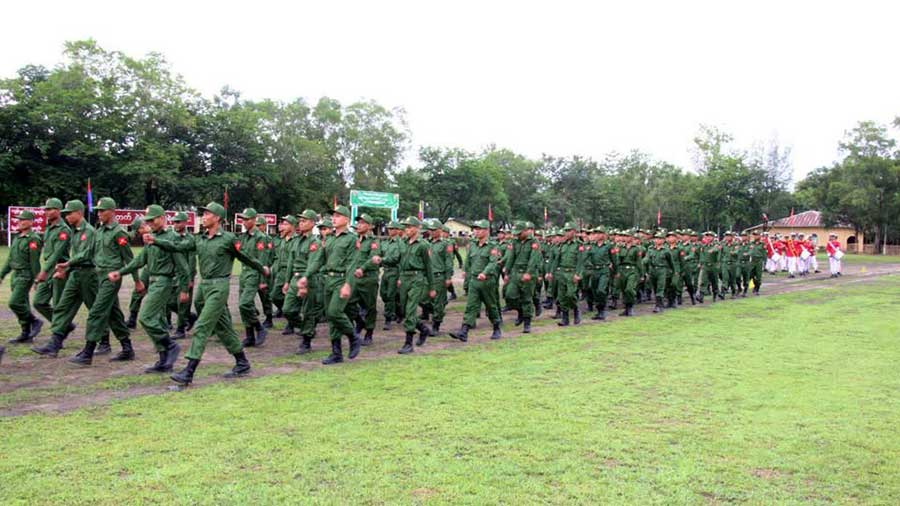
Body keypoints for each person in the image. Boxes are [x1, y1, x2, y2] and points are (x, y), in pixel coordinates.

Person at [164, 202, 270, 386]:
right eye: (203, 214)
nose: (203, 216)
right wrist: (155, 241)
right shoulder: (199, 238)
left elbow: (245, 256)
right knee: (223, 328)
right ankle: (242, 362)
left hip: (219, 287)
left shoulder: (228, 239)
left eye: (207, 214)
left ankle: (188, 371)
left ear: (217, 218)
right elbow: (177, 246)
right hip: (204, 287)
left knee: (202, 326)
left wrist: (262, 269)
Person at [109, 205, 188, 373]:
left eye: (153, 219)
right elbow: (140, 261)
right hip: (153, 283)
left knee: (145, 317)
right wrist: (120, 272)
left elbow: (183, 267)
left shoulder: (172, 238)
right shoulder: (151, 238)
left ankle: (170, 345)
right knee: (157, 320)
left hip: (164, 282)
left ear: (162, 218)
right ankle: (163, 360)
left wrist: (184, 290)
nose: (150, 223)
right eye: (148, 220)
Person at [67, 197, 137, 365]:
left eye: (102, 210)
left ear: (112, 212)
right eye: (97, 210)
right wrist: (68, 264)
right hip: (99, 276)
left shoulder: (118, 232)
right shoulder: (99, 232)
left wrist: (138, 281)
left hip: (111, 277)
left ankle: (88, 351)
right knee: (113, 313)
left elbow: (129, 258)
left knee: (97, 311)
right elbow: (87, 253)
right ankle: (127, 348)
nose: (99, 214)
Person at [32, 201, 99, 357]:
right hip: (74, 273)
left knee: (95, 309)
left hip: (88, 275)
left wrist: (66, 264)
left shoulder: (87, 231)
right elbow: (74, 255)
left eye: (70, 213)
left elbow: (85, 254)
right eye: (66, 213)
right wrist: (67, 267)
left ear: (79, 213)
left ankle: (106, 341)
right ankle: (54, 345)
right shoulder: (74, 230)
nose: (67, 216)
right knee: (62, 307)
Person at [450, 220, 502, 342]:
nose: (476, 231)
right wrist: (465, 270)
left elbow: (493, 262)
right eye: (475, 229)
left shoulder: (492, 246)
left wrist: (485, 273)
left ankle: (496, 327)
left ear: (486, 231)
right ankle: (464, 331)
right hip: (474, 280)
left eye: (479, 229)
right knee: (471, 305)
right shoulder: (473, 245)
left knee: (491, 305)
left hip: (487, 281)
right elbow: (468, 260)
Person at [282, 210, 324, 354]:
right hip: (295, 278)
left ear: (312, 223)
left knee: (308, 312)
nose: (301, 223)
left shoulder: (315, 243)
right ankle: (307, 329)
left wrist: (305, 279)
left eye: (304, 220)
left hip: (309, 279)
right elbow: (290, 262)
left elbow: (314, 263)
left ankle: (306, 341)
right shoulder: (296, 241)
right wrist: (287, 281)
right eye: (300, 221)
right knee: (287, 310)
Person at [395, 216, 436, 353]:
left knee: (411, 309)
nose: (407, 229)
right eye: (405, 227)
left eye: (410, 227)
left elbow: (429, 267)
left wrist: (431, 287)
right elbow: (401, 261)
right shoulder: (403, 243)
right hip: (405, 278)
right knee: (405, 311)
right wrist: (401, 276)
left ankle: (408, 343)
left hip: (417, 279)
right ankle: (423, 329)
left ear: (418, 228)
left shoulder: (423, 245)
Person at [1, 210, 43, 344]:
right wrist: (2, 274)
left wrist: (37, 279)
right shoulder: (17, 238)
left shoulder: (33, 239)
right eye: (18, 220)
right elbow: (10, 260)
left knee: (14, 302)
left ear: (30, 222)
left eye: (23, 220)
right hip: (15, 274)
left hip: (25, 275)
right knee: (23, 303)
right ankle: (26, 333)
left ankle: (35, 321)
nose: (20, 222)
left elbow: (34, 262)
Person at [31, 198, 70, 334]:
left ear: (58, 211)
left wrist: (43, 271)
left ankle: (57, 336)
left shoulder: (64, 229)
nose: (47, 212)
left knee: (59, 304)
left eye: (50, 209)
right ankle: (63, 325)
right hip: (48, 269)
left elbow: (56, 254)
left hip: (59, 269)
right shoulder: (48, 228)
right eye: (46, 209)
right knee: (38, 302)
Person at [235, 208, 270, 348]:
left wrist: (262, 280)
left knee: (244, 303)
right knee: (243, 306)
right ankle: (249, 336)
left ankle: (259, 327)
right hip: (243, 273)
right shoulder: (243, 237)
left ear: (254, 220)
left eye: (247, 219)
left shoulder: (261, 237)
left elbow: (262, 259)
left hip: (254, 273)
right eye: (243, 219)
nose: (244, 222)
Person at [349, 214, 383, 345]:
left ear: (369, 226)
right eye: (358, 223)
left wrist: (362, 269)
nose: (359, 225)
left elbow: (373, 258)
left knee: (370, 307)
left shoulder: (373, 242)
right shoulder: (355, 240)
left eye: (362, 223)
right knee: (349, 303)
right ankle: (359, 322)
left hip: (368, 279)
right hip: (354, 278)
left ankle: (369, 333)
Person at [504, 221, 543, 333]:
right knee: (510, 295)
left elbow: (534, 259)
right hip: (516, 272)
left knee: (527, 298)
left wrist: (529, 273)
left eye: (519, 233)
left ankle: (527, 323)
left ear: (526, 231)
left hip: (528, 273)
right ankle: (520, 311)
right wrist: (507, 272)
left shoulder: (534, 242)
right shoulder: (515, 241)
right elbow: (511, 257)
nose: (517, 235)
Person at [170, 212, 197, 339]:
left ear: (185, 223)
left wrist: (190, 278)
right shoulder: (171, 237)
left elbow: (192, 260)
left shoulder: (190, 239)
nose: (175, 224)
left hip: (185, 276)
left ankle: (180, 330)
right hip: (172, 275)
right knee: (168, 302)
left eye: (178, 222)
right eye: (174, 222)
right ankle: (190, 317)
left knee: (182, 303)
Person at [272, 215, 296, 334]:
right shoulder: (283, 240)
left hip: (291, 271)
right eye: (282, 224)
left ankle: (292, 323)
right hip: (280, 272)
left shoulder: (296, 240)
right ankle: (290, 317)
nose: (282, 226)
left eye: (286, 224)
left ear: (292, 226)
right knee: (275, 296)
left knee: (290, 299)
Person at [126, 218, 151, 329]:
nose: (138, 233)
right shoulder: (145, 237)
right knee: (137, 292)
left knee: (167, 299)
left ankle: (186, 317)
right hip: (148, 269)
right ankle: (132, 319)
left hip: (162, 271)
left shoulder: (156, 234)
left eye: (139, 229)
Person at [379, 221, 404, 331]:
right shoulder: (385, 243)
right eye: (389, 228)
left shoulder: (401, 243)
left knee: (390, 295)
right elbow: (380, 254)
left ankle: (388, 319)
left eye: (393, 228)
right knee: (383, 294)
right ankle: (399, 311)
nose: (390, 230)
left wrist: (381, 259)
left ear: (398, 230)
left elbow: (395, 258)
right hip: (386, 271)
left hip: (395, 271)